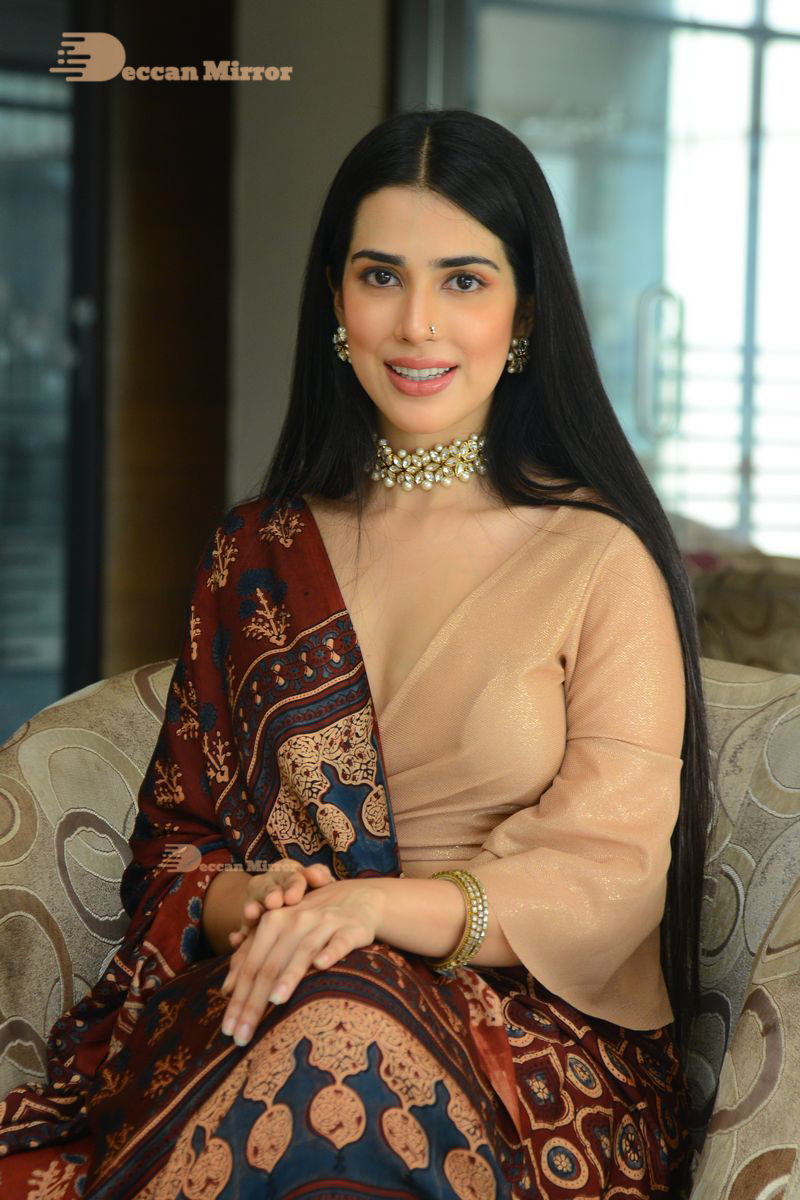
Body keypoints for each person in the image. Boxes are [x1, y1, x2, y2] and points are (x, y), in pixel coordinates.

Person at [0, 107, 711, 1199]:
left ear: (524, 312)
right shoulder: (257, 553)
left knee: (344, 1025)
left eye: (464, 280)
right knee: (323, 1014)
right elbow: (176, 854)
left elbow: (608, 877)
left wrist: (368, 914)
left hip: (532, 1054)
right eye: (381, 276)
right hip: (268, 992)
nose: (417, 324)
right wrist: (270, 904)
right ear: (336, 300)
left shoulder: (598, 559)